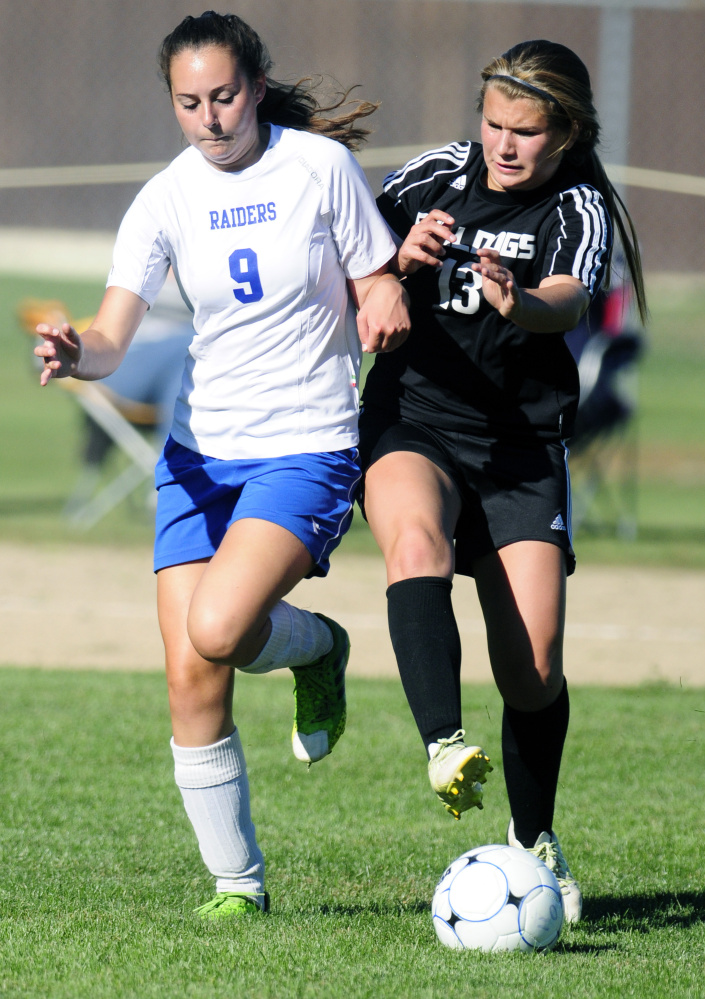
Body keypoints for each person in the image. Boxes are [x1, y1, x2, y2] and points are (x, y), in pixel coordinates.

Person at [34, 10, 409, 919]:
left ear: (255, 83)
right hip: (200, 452)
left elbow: (374, 274)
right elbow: (117, 332)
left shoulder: (318, 168)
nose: (210, 117)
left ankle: (319, 646)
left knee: (220, 625)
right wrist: (76, 351)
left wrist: (385, 297)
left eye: (225, 95)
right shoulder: (164, 197)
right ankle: (238, 887)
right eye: (189, 102)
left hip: (305, 442)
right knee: (191, 672)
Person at [359, 39, 647, 924]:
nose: (504, 145)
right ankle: (443, 742)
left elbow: (569, 296)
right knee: (416, 540)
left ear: (566, 135)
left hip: (523, 448)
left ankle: (535, 838)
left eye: (526, 131)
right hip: (418, 420)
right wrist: (394, 261)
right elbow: (349, 254)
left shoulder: (579, 206)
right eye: (494, 123)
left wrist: (520, 302)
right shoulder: (436, 173)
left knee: (533, 669)